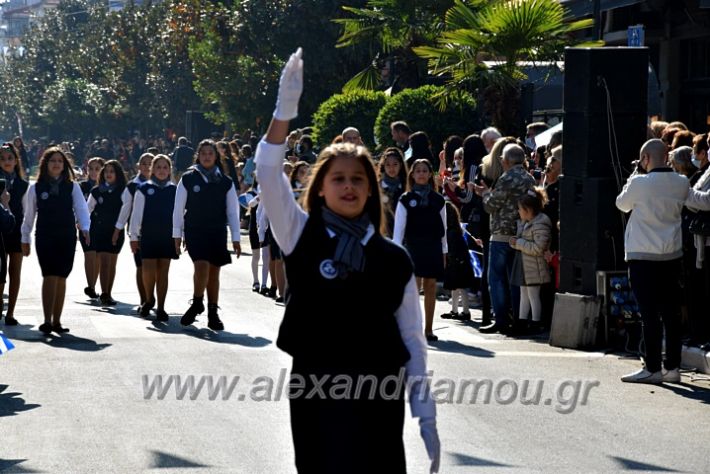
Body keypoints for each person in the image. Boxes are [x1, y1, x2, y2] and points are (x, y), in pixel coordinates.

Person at [255, 48, 439, 474]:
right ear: (320, 187)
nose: (349, 187)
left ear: (372, 189)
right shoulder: (300, 233)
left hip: (379, 391)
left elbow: (412, 338)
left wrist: (424, 411)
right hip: (317, 386)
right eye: (338, 178)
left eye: (358, 179)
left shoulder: (394, 258)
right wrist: (284, 111)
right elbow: (267, 171)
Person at [616, 139, 689, 384]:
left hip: (642, 256)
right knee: (671, 314)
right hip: (671, 255)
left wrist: (634, 175)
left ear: (645, 158)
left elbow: (621, 204)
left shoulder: (639, 182)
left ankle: (652, 366)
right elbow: (696, 200)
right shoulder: (681, 182)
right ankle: (673, 367)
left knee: (649, 314)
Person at [172, 139, 242, 331]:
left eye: (210, 153)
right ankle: (196, 302)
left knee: (214, 272)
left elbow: (232, 212)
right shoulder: (188, 178)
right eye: (203, 153)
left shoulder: (225, 182)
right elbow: (178, 209)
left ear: (216, 156)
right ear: (198, 155)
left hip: (217, 230)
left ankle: (213, 312)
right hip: (195, 229)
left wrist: (236, 237)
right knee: (201, 265)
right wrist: (177, 234)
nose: (207, 156)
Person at [21, 147, 90, 334]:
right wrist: (24, 238)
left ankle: (57, 321)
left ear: (64, 165)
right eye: (53, 160)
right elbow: (28, 216)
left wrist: (85, 228)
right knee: (49, 275)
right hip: (45, 236)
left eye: (60, 161)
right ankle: (46, 320)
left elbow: (82, 209)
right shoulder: (36, 188)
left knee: (61, 277)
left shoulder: (72, 186)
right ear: (45, 164)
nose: (57, 164)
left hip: (66, 236)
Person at [474, 143, 536, 334]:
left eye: (502, 158)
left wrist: (484, 194)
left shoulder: (506, 178)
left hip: (501, 234)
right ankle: (518, 319)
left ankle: (500, 319)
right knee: (516, 279)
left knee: (497, 278)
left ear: (507, 160)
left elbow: (492, 205)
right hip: (522, 233)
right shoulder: (529, 178)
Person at [393, 158, 448, 342]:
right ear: (412, 175)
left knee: (430, 286)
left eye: (425, 170)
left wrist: (444, 251)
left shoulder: (438, 200)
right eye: (418, 171)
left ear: (430, 174)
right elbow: (398, 229)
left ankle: (429, 329)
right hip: (413, 247)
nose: (421, 174)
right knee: (414, 288)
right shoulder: (406, 199)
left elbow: (444, 229)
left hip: (432, 246)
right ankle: (412, 327)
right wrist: (396, 252)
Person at [129, 155, 179, 321]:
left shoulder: (174, 190)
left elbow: (180, 215)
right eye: (158, 167)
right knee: (148, 269)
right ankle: (149, 299)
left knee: (163, 272)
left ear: (170, 170)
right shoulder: (143, 189)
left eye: (165, 167)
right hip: (148, 235)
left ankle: (162, 307)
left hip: (167, 236)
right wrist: (133, 237)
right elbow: (136, 215)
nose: (162, 170)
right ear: (152, 169)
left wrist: (180, 235)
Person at [86, 160, 132, 306]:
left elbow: (126, 211)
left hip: (116, 231)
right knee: (104, 262)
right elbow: (87, 210)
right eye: (106, 171)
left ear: (117, 174)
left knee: (111, 264)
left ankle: (108, 292)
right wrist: (84, 228)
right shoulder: (96, 190)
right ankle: (104, 293)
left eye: (112, 171)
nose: (108, 174)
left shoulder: (123, 191)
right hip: (99, 231)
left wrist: (118, 229)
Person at [509, 188, 552, 333]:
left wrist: (519, 243)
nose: (518, 212)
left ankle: (536, 322)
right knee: (524, 294)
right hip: (526, 265)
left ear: (528, 210)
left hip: (534, 266)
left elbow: (538, 248)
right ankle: (520, 322)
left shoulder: (541, 224)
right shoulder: (527, 223)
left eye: (520, 209)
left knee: (533, 295)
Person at [0, 143, 28, 326]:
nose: (7, 161)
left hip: (16, 230)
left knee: (15, 272)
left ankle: (11, 312)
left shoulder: (24, 185)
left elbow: (27, 212)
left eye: (10, 158)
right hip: (0, 231)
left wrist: (26, 236)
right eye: (2, 159)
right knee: (1, 272)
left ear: (16, 160)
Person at [440, 202, 475, 321]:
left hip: (458, 263)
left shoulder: (451, 232)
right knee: (455, 287)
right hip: (458, 262)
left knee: (461, 287)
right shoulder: (455, 230)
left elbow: (452, 249)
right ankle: (455, 310)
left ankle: (466, 312)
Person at [79, 157, 105, 300]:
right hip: (85, 225)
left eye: (97, 168)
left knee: (98, 257)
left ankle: (94, 285)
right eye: (91, 168)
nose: (94, 172)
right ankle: (91, 287)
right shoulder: (82, 186)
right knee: (89, 255)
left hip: (101, 226)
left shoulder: (106, 186)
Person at [378, 147, 408, 238]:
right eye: (388, 165)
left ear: (401, 165)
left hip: (403, 231)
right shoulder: (378, 186)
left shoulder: (406, 185)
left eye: (395, 164)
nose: (391, 168)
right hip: (384, 231)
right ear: (383, 166)